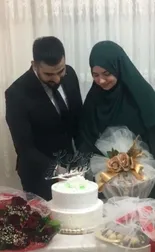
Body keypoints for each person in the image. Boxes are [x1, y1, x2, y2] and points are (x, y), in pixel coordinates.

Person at [5, 37, 82, 201]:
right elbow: (25, 148)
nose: (57, 79)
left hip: (70, 165)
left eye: (60, 71)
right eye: (48, 74)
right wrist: (56, 170)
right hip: (38, 174)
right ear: (34, 65)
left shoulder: (70, 74)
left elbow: (77, 120)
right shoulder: (16, 94)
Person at [77, 41, 155, 157]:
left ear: (119, 67)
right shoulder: (93, 100)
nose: (101, 81)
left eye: (107, 73)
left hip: (142, 167)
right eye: (95, 75)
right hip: (103, 169)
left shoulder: (144, 97)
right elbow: (85, 139)